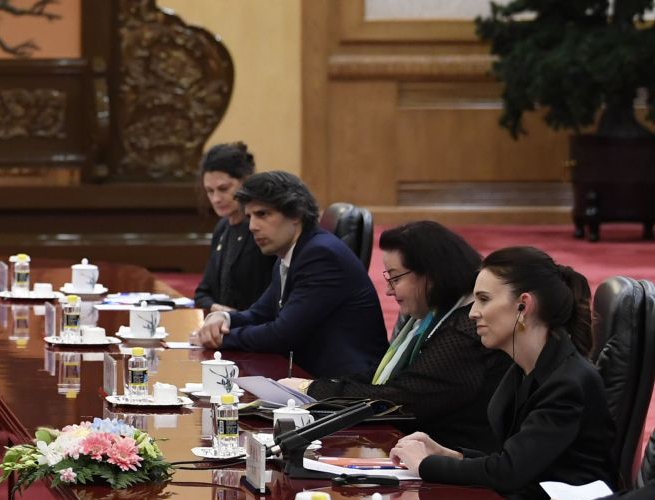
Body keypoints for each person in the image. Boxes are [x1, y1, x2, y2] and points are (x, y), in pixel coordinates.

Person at [390, 247, 615, 500]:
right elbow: (514, 459)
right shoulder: (522, 367)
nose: (473, 312)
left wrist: (426, 465)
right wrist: (449, 455)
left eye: (484, 299)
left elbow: (509, 472)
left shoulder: (568, 382)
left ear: (524, 305)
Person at [277, 221, 504, 452]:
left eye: (395, 278)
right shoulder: (432, 315)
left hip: (456, 465)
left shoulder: (464, 329)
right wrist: (318, 386)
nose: (388, 290)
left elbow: (401, 399)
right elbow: (384, 378)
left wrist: (311, 389)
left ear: (431, 275)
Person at [192, 171, 387, 378]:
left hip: (347, 390)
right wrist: (224, 318)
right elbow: (260, 313)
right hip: (312, 378)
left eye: (263, 214)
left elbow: (281, 335)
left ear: (295, 214)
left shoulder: (320, 255)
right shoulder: (290, 253)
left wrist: (222, 338)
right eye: (249, 217)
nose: (252, 227)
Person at [192, 142, 275, 312]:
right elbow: (202, 293)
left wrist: (232, 317)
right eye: (210, 191)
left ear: (245, 182)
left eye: (223, 189)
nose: (216, 199)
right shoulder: (223, 228)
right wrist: (220, 311)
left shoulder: (262, 230)